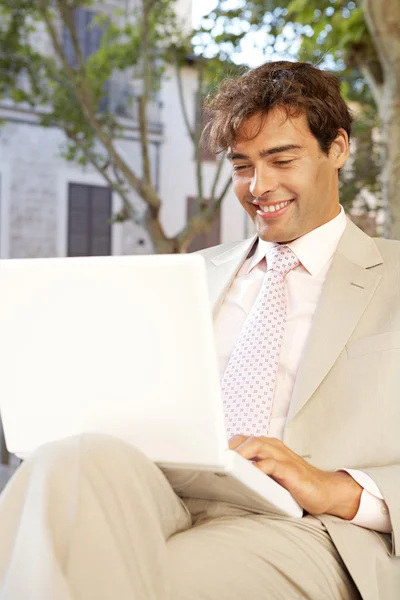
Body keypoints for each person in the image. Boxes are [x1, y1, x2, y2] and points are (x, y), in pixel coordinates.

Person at [0, 61, 399, 600]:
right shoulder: (187, 275)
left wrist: (342, 490)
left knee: (129, 575)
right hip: (165, 493)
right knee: (66, 463)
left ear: (338, 149)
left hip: (308, 527)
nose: (259, 186)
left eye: (282, 159)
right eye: (242, 165)